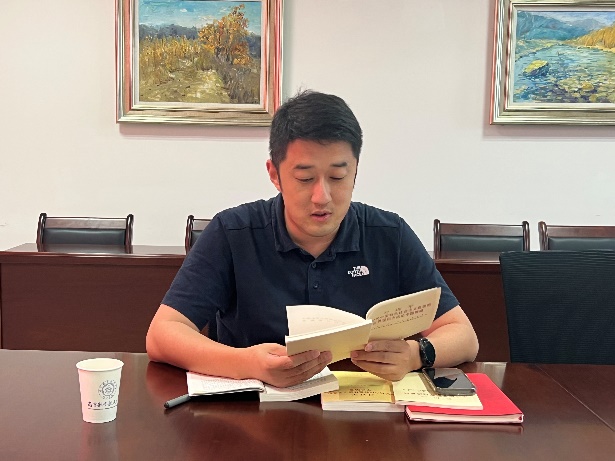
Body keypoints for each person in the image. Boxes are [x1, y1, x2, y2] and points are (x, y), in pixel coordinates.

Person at [146, 90, 478, 387]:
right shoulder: (232, 233)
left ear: (356, 171)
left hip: (361, 414)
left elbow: (463, 336)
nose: (322, 197)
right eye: (305, 178)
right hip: (254, 414)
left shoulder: (390, 235)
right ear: (274, 174)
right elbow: (162, 334)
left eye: (338, 176)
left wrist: (416, 354)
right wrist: (249, 364)